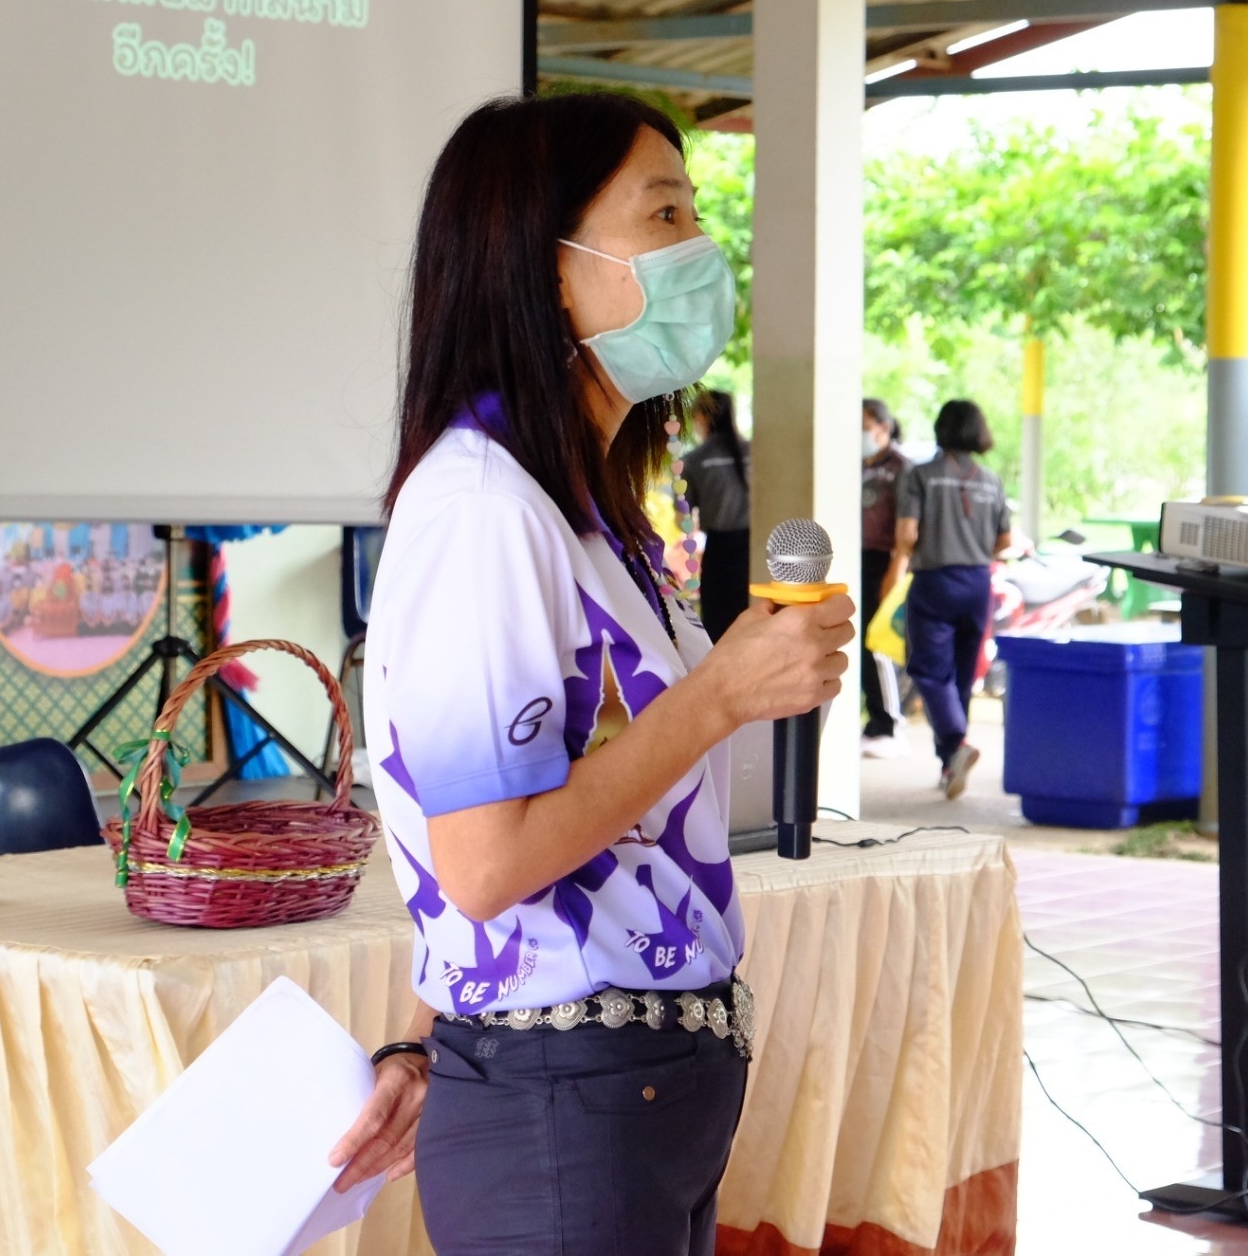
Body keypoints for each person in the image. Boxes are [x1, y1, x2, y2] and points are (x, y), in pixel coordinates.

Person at [329, 92, 854, 1256]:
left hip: (626, 1084)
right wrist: (720, 693)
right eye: (661, 214)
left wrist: (434, 1035)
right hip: (564, 1101)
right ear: (545, 266)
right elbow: (485, 863)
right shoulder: (479, 509)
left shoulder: (581, 509)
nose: (698, 250)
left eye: (694, 211)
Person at [889, 399, 1011, 799]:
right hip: (978, 584)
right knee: (960, 676)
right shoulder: (991, 480)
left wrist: (918, 552)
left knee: (927, 669)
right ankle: (949, 766)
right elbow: (1005, 540)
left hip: (935, 580)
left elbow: (907, 534)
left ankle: (956, 743)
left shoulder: (920, 475)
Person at [859, 398, 910, 757]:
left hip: (886, 561)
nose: (859, 435)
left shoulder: (902, 469)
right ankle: (874, 720)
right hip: (855, 558)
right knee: (861, 641)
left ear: (883, 427)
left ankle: (889, 722)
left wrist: (895, 570)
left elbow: (907, 528)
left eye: (864, 427)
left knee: (878, 644)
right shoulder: (855, 464)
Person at [682, 389, 750, 641]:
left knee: (720, 626)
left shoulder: (693, 460)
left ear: (702, 417)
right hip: (761, 549)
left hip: (721, 552)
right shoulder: (757, 452)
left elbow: (684, 519)